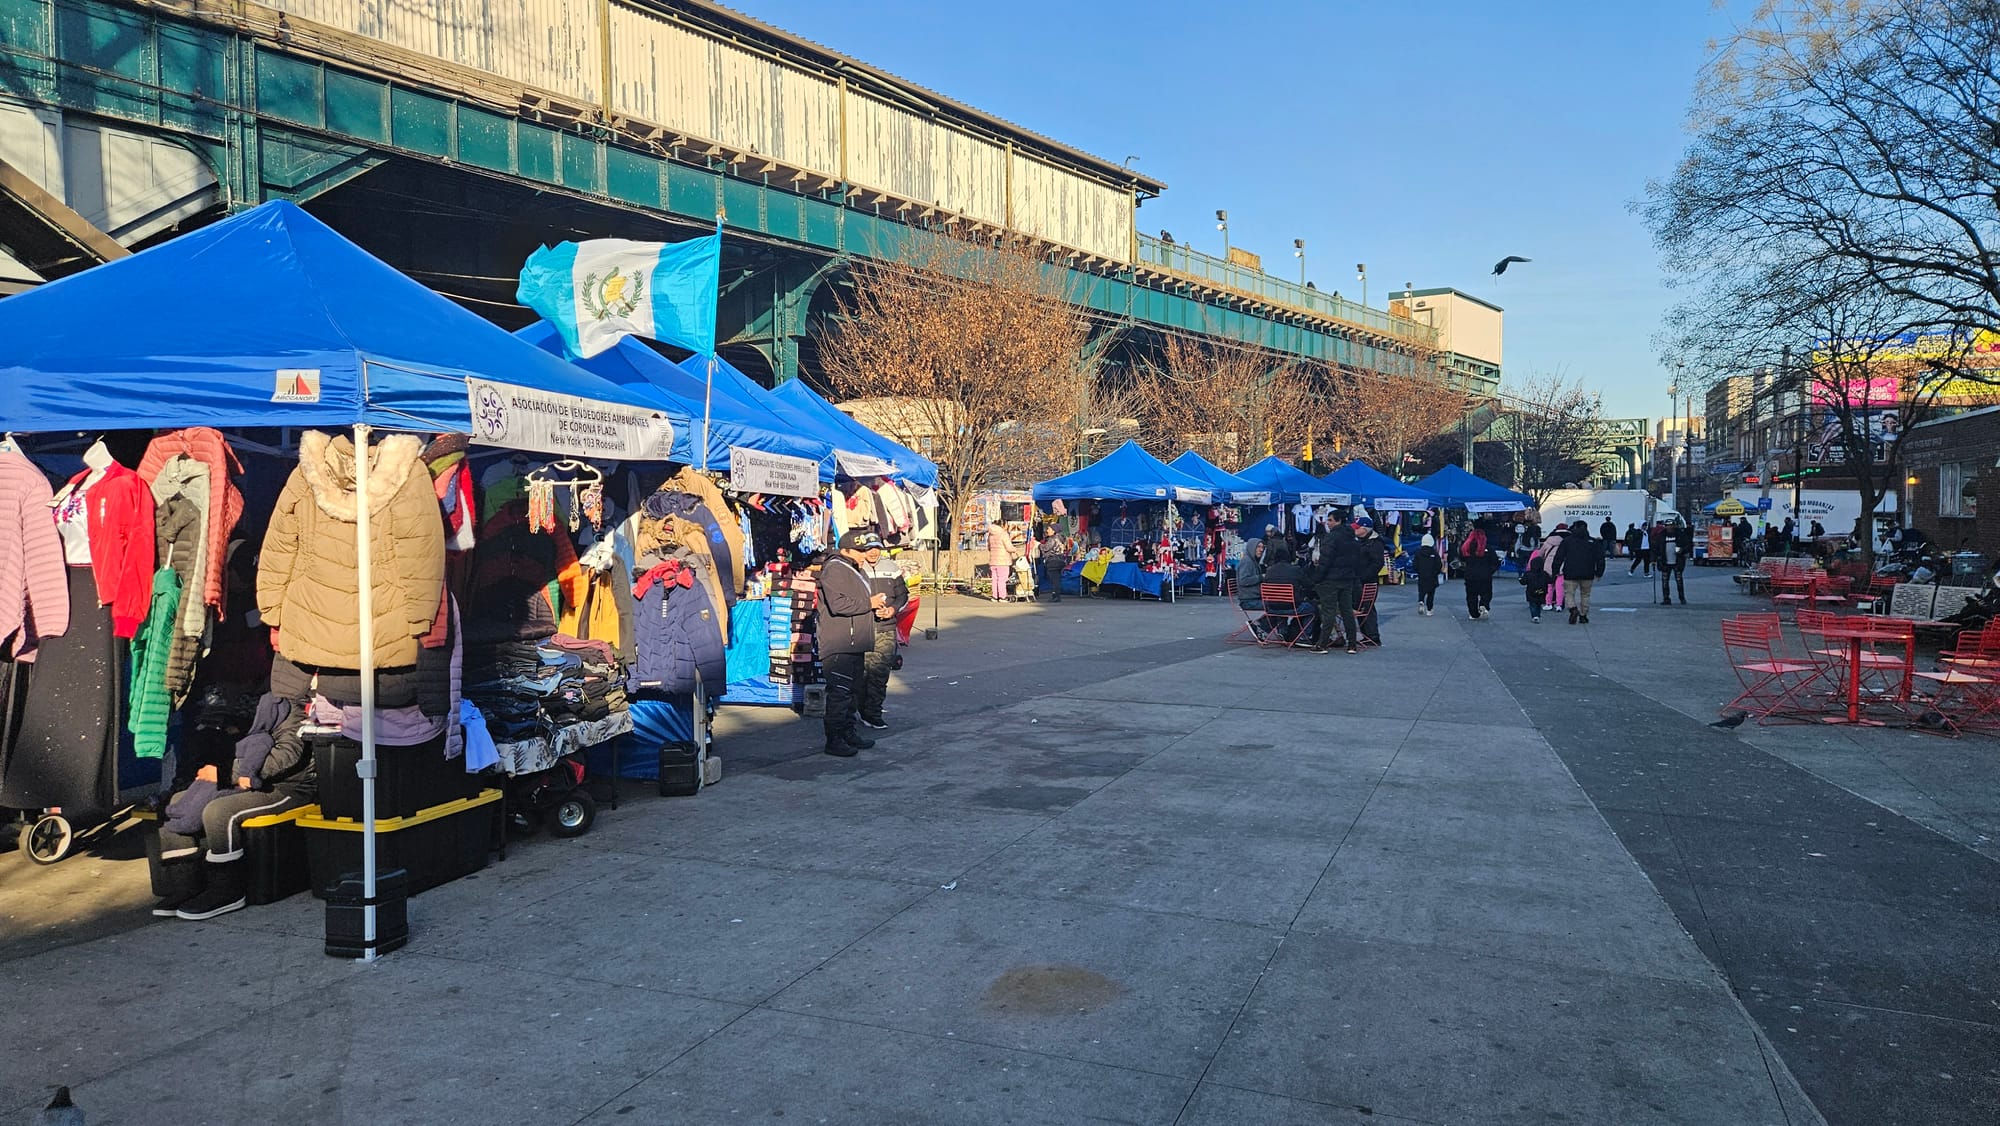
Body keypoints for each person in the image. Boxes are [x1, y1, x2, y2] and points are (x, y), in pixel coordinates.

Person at [816, 531, 884, 756]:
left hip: (854, 641)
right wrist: (869, 603)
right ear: (845, 550)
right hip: (840, 642)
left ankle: (848, 732)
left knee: (852, 691)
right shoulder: (835, 568)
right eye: (859, 551)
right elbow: (838, 605)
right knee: (841, 692)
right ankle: (834, 739)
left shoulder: (853, 568)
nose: (864, 555)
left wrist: (874, 607)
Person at [858, 535, 908, 732]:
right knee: (860, 674)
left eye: (876, 547)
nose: (873, 552)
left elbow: (903, 595)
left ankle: (873, 713)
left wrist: (892, 610)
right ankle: (860, 710)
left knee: (879, 674)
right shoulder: (856, 568)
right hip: (862, 628)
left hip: (886, 629)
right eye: (869, 548)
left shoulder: (891, 567)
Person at [1310, 519, 1364, 653]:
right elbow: (1358, 561)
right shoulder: (1353, 539)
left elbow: (1325, 561)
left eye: (1330, 520)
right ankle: (1352, 644)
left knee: (1328, 611)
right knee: (1347, 611)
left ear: (1338, 521)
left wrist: (1317, 578)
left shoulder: (1331, 538)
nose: (1327, 523)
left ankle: (1322, 644)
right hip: (1347, 579)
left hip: (1331, 580)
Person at [1555, 519, 1606, 624]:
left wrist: (1555, 570)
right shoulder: (1593, 542)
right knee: (1585, 594)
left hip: (1570, 572)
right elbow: (1600, 559)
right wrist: (1599, 572)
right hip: (1588, 572)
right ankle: (1583, 615)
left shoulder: (1567, 541)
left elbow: (1558, 557)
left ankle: (1573, 609)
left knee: (1569, 593)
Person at [1260, 543, 1312, 644]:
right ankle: (1304, 636)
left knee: (1280, 601)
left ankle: (1282, 632)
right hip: (1292, 607)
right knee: (1312, 609)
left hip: (1272, 607)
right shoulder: (1296, 570)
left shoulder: (1269, 571)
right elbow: (1308, 584)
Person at [1351, 516, 1388, 647]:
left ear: (1365, 529)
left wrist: (1363, 576)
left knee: (1366, 606)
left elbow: (1377, 563)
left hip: (1367, 581)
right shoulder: (1362, 542)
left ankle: (1372, 636)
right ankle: (1369, 635)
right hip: (1362, 580)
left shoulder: (1375, 543)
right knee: (1366, 607)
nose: (1355, 530)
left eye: (1357, 528)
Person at [1460, 526, 1500, 619]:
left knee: (1471, 596)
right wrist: (1490, 571)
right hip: (1485, 575)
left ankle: (1473, 614)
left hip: (1470, 575)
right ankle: (1484, 604)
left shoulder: (1466, 547)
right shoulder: (1488, 548)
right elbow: (1495, 562)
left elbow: (1462, 558)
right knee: (1486, 593)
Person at [1655, 517, 1689, 605]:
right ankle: (1666, 598)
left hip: (1677, 561)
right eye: (1667, 526)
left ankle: (1682, 598)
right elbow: (1656, 548)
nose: (1669, 528)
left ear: (1674, 526)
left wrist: (1682, 550)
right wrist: (1654, 559)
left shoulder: (1680, 534)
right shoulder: (1661, 535)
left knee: (1679, 581)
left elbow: (1688, 545)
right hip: (1665, 562)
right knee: (1665, 581)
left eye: (1671, 526)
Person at [1038, 524, 1072, 602]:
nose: (1047, 531)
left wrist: (1039, 545)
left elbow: (1046, 548)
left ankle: (1056, 596)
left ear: (1054, 531)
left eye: (1049, 529)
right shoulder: (1061, 538)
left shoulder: (1053, 539)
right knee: (1057, 579)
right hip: (1060, 560)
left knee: (1054, 580)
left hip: (1053, 561)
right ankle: (1056, 595)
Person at [1522, 539, 1553, 623]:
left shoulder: (1528, 573)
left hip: (1531, 592)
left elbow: (1523, 582)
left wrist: (1521, 580)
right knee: (1539, 604)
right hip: (1542, 591)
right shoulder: (1544, 574)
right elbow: (1550, 581)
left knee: (1532, 604)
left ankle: (1534, 615)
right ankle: (1538, 615)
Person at [1413, 533, 1443, 615]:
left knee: (1421, 591)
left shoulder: (1418, 553)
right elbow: (1439, 565)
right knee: (1431, 594)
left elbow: (1415, 565)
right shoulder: (1434, 553)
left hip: (1422, 576)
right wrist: (1436, 572)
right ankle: (1429, 610)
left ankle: (1421, 600)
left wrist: (1419, 571)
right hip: (1432, 577)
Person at [1542, 525, 1569, 611]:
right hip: (1561, 567)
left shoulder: (1548, 542)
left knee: (1549, 586)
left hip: (1548, 567)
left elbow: (1540, 554)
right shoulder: (1567, 542)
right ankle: (1559, 605)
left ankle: (1548, 603)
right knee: (1560, 587)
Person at [986, 522, 1015, 602]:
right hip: (1003, 560)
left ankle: (995, 596)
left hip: (993, 560)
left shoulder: (991, 535)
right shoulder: (1003, 534)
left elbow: (988, 547)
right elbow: (1009, 547)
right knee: (1002, 579)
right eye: (1006, 525)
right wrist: (1014, 549)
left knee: (994, 579)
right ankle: (1002, 596)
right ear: (1002, 525)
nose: (1007, 526)